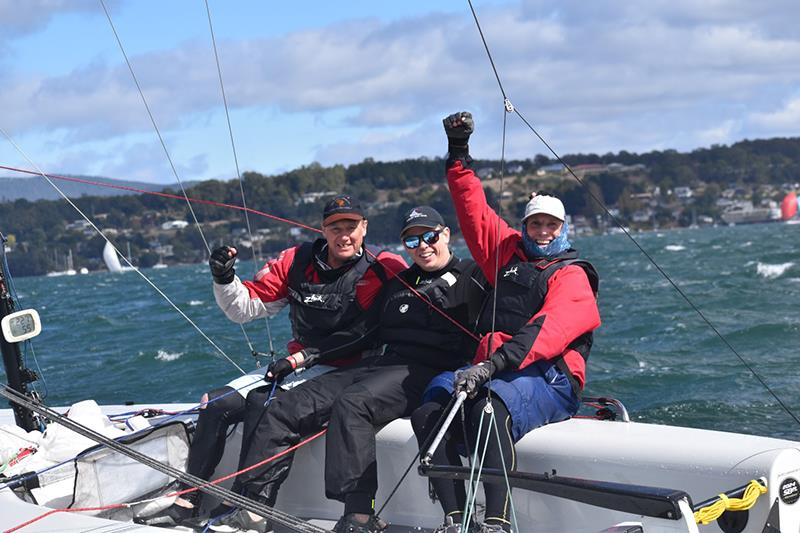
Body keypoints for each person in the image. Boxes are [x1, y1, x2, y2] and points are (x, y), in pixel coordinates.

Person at [219, 206, 488, 533]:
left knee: (353, 403)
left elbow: (507, 315)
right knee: (284, 407)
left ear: (446, 234)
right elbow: (360, 334)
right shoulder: (399, 281)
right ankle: (251, 510)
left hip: (431, 371)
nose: (423, 245)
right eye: (412, 240)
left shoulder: (474, 275)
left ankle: (360, 516)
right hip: (384, 365)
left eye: (430, 236)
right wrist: (302, 358)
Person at [144, 195, 406, 530]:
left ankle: (241, 500)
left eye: (351, 227)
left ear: (364, 228)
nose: (344, 235)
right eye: (335, 227)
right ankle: (189, 495)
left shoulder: (383, 267)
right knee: (215, 404)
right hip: (298, 363)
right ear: (322, 230)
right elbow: (244, 308)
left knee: (264, 403)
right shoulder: (296, 262)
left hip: (347, 369)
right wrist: (223, 278)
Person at [410, 112, 601, 533]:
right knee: (427, 412)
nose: (543, 231)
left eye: (551, 224)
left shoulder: (572, 275)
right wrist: (458, 153)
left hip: (549, 377)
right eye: (536, 223)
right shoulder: (508, 254)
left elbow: (546, 331)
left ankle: (496, 522)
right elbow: (474, 211)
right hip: (493, 368)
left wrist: (491, 366)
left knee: (489, 411)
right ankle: (456, 519)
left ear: (564, 228)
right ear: (525, 225)